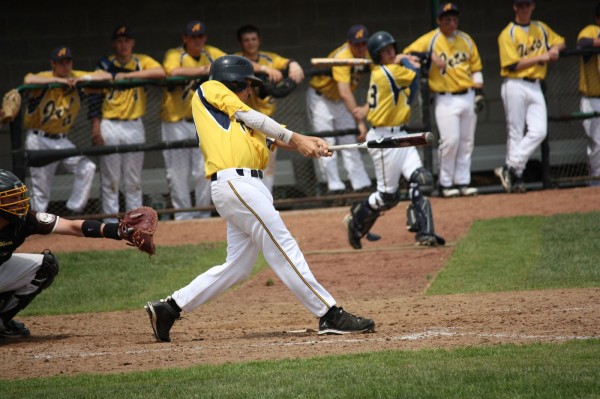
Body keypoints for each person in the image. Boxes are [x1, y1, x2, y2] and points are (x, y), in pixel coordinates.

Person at [144, 55, 375, 342]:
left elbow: (273, 138)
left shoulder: (237, 120)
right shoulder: (211, 90)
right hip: (236, 183)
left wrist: (310, 143)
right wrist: (298, 137)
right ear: (233, 81)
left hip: (248, 187)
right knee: (282, 244)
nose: (251, 91)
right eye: (247, 85)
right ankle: (328, 312)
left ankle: (169, 308)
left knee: (238, 267)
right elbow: (256, 118)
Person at [344, 31, 446, 249]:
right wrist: (407, 60)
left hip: (400, 134)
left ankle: (425, 233)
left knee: (422, 179)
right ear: (377, 55)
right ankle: (356, 219)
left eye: (392, 49)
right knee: (388, 197)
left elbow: (413, 86)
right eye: (385, 51)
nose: (390, 53)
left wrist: (406, 61)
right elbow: (413, 73)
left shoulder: (389, 71)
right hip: (383, 140)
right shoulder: (386, 72)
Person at [0, 169, 130, 338]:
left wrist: (118, 231)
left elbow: (71, 226)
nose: (20, 203)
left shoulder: (25, 219)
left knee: (46, 265)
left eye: (20, 196)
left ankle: (2, 322)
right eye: (11, 198)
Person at [404, 3, 484, 198]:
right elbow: (406, 54)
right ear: (439, 20)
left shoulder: (466, 39)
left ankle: (463, 181)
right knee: (450, 141)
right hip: (445, 98)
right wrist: (428, 55)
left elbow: (476, 67)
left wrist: (479, 92)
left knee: (466, 142)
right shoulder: (431, 39)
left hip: (468, 94)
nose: (451, 23)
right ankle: (446, 183)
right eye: (447, 19)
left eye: (454, 19)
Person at [22, 46, 111, 214]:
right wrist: (60, 82)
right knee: (41, 190)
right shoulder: (45, 77)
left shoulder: (75, 77)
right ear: (53, 64)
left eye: (68, 62)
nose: (65, 66)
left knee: (87, 167)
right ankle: (34, 227)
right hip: (38, 139)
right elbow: (28, 79)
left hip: (61, 140)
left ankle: (73, 209)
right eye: (60, 63)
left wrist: (83, 79)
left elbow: (105, 76)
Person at [90, 25, 166, 222]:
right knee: (111, 179)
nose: (123, 45)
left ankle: (135, 222)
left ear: (132, 43)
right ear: (114, 44)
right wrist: (95, 127)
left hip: (134, 125)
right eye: (119, 41)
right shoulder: (106, 64)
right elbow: (95, 96)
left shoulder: (141, 61)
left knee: (133, 179)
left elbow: (160, 72)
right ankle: (111, 222)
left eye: (127, 41)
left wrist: (126, 76)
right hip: (110, 125)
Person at [495, 0, 565, 193]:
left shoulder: (540, 28)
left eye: (528, 5)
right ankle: (516, 177)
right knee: (516, 132)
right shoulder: (507, 33)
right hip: (514, 84)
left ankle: (509, 168)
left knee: (539, 130)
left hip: (535, 85)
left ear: (533, 6)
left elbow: (561, 41)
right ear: (514, 7)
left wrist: (554, 49)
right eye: (521, 5)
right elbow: (511, 65)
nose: (524, 9)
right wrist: (540, 57)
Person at [160, 21, 226, 220]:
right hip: (175, 122)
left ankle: (203, 215)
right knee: (177, 173)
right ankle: (183, 217)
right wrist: (203, 71)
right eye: (193, 37)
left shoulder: (211, 52)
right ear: (185, 38)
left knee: (204, 171)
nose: (197, 40)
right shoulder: (175, 54)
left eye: (200, 36)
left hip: (202, 122)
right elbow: (172, 71)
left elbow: (233, 62)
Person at [236, 24, 305, 192]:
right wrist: (265, 69)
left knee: (267, 165)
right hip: (243, 121)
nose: (251, 43)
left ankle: (267, 200)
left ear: (259, 40)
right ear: (241, 43)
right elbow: (244, 65)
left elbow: (286, 62)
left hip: (266, 122)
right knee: (244, 164)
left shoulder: (269, 58)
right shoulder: (236, 59)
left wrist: (294, 64)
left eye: (253, 39)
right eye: (246, 40)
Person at [307, 24, 373, 195]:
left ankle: (361, 184)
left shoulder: (368, 53)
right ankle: (335, 187)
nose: (361, 48)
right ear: (349, 43)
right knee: (326, 143)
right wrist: (360, 121)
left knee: (349, 141)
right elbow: (345, 93)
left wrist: (367, 107)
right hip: (322, 99)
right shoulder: (342, 57)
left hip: (341, 102)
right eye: (357, 44)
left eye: (364, 44)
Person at [577, 4, 600, 187]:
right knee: (597, 143)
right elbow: (582, 44)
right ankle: (596, 182)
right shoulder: (591, 30)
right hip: (592, 98)